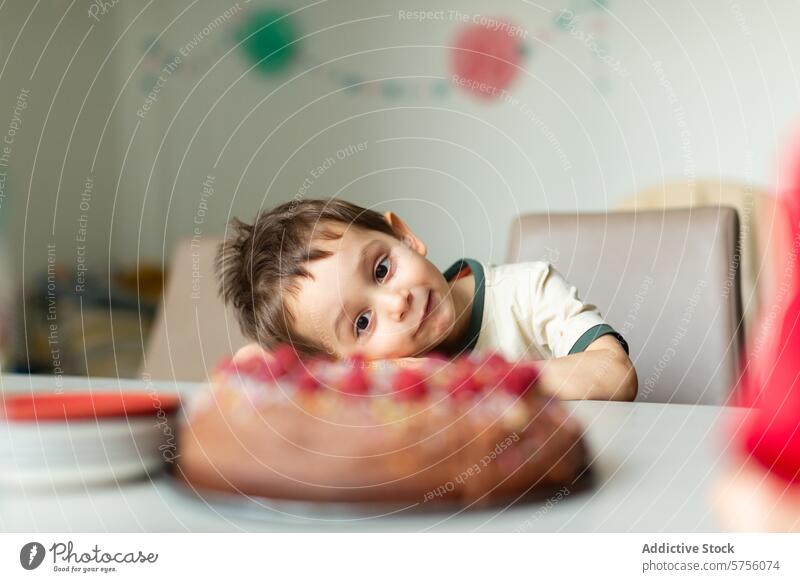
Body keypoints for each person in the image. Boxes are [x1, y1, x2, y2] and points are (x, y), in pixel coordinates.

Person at [215, 198, 637, 401]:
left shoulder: (527, 290)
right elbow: (250, 367)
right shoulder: (380, 376)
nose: (395, 303)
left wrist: (467, 380)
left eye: (381, 269)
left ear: (404, 236)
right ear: (344, 360)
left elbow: (615, 374)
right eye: (363, 323)